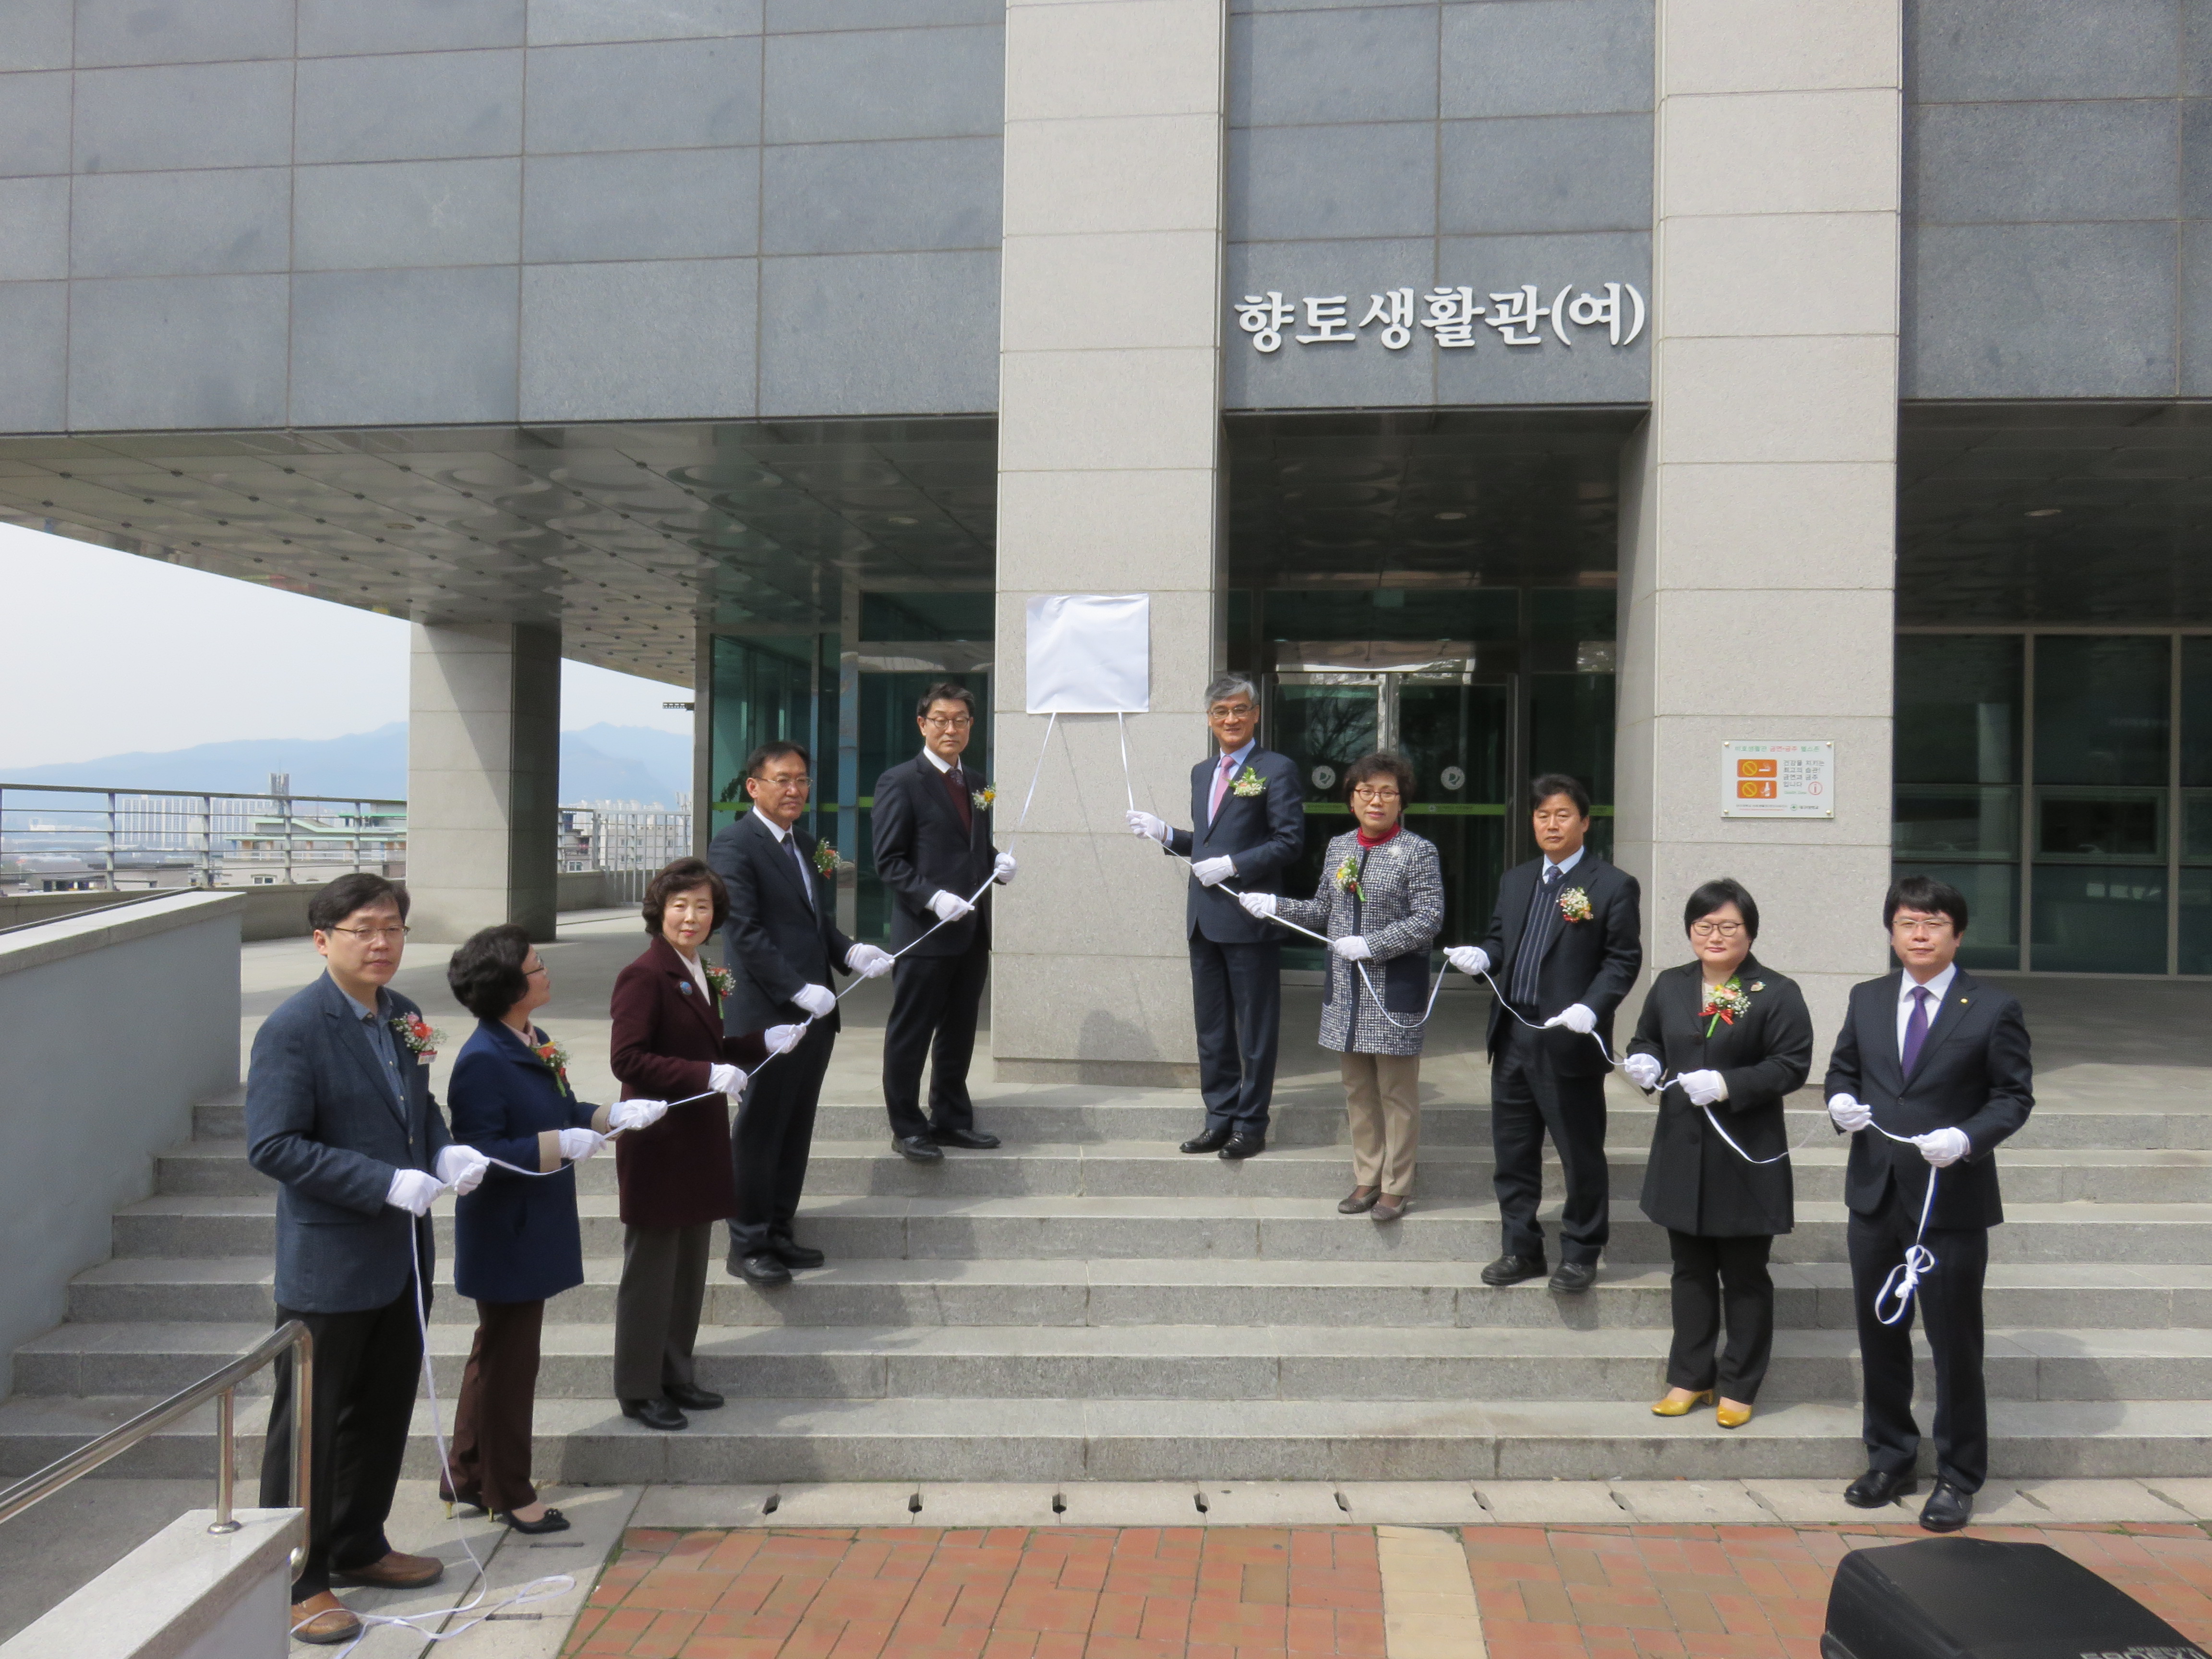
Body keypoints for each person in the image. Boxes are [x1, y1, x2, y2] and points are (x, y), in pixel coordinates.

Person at [245, 872, 490, 1646]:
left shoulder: (404, 1014)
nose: (382, 943)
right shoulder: (293, 1028)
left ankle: (358, 1543)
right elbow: (274, 1145)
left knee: (382, 1409)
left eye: (392, 928)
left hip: (402, 1255)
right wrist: (382, 1181)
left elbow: (420, 1110)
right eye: (363, 930)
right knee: (308, 1428)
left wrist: (444, 1153)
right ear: (323, 941)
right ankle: (294, 1577)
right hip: (330, 1263)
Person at [1825, 875, 2033, 1533]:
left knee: (1954, 1344)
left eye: (1934, 923)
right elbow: (1844, 1069)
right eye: (1908, 923)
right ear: (1892, 932)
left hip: (1950, 1203)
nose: (1920, 934)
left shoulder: (1992, 1007)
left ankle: (1959, 1475)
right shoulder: (1867, 997)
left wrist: (1967, 1138)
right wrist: (1839, 1101)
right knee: (1880, 1335)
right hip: (1876, 1194)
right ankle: (1890, 1458)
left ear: (1958, 934)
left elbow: (2013, 1097)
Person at [445, 925, 659, 1530]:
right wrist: (557, 1144)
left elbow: (564, 1108)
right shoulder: (482, 1060)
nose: (546, 973)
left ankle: (466, 1472)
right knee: (512, 1366)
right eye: (537, 968)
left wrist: (610, 1115)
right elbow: (480, 1152)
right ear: (510, 986)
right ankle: (510, 1492)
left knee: (495, 1353)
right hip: (506, 1232)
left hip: (533, 1222)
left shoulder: (532, 1038)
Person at [1624, 878, 1813, 1430]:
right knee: (1690, 1271)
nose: (1715, 936)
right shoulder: (1672, 985)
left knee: (1745, 1274)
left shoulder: (1775, 991)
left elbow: (1791, 1064)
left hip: (1744, 1154)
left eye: (1729, 926)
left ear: (1750, 932)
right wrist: (1644, 1063)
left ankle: (1740, 1383)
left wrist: (1729, 1084)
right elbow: (1646, 1039)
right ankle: (1690, 1376)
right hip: (1682, 1150)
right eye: (1704, 926)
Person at [708, 741, 894, 1286]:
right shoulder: (734, 845)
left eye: (802, 781)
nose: (795, 790)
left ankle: (779, 1230)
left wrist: (851, 953)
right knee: (760, 1129)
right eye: (783, 780)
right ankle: (747, 1244)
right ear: (754, 787)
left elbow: (815, 924)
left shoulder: (805, 843)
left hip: (815, 1017)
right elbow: (744, 930)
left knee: (795, 1127)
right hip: (765, 1016)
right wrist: (796, 989)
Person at [1445, 774, 1640, 1293]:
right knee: (1513, 1151)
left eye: (1562, 815)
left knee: (1579, 1152)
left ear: (1585, 822)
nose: (1552, 825)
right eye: (1542, 816)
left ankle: (1581, 1251)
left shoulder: (1612, 884)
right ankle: (1521, 1248)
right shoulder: (1517, 880)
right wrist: (1482, 956)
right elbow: (1499, 942)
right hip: (1512, 1033)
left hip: (1567, 1037)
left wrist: (1591, 1008)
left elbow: (1622, 961)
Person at [1238, 751, 1442, 1220]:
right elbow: (1322, 911)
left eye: (1387, 792)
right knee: (1358, 1091)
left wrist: (1372, 945)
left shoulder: (1418, 851)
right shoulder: (1339, 847)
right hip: (1347, 995)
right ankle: (1367, 1176)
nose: (1376, 801)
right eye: (1366, 792)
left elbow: (1429, 919)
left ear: (1401, 801)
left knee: (1397, 1094)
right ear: (1352, 800)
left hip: (1392, 992)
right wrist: (1275, 905)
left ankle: (1397, 1185)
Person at [607, 858, 772, 1429]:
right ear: (660, 910)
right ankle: (638, 1387)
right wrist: (706, 1074)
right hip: (660, 1143)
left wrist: (762, 1042)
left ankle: (676, 1373)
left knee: (688, 1270)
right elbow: (628, 1059)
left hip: (698, 1142)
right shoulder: (644, 974)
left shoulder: (697, 968)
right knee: (652, 1273)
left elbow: (708, 1045)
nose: (691, 917)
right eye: (680, 905)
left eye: (702, 906)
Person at [1126, 673, 1305, 1158]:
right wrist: (1167, 835)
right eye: (1221, 712)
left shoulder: (1277, 769)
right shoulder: (1203, 772)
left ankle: (1251, 1124)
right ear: (1209, 719)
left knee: (1255, 1032)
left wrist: (1234, 866)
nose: (1231, 719)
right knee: (1212, 1029)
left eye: (1240, 709)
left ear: (1255, 714)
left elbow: (1290, 841)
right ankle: (1219, 1118)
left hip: (1249, 919)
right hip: (1204, 919)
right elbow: (1206, 843)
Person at [870, 680, 1018, 1162]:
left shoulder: (976, 782)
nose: (950, 729)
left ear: (971, 726)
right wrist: (933, 899)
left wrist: (996, 862)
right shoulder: (900, 781)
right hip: (926, 933)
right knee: (912, 1032)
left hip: (972, 932)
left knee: (959, 1030)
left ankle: (951, 1118)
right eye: (940, 720)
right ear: (922, 724)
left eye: (960, 720)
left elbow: (969, 847)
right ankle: (907, 1126)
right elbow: (889, 861)